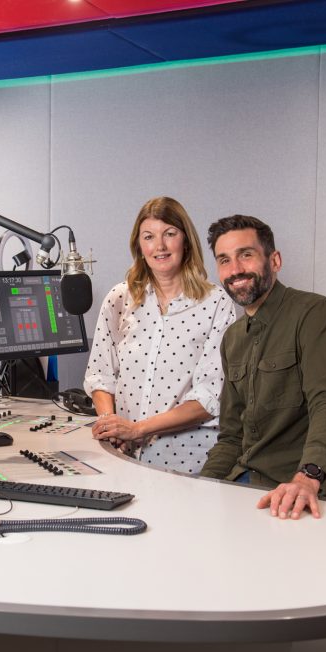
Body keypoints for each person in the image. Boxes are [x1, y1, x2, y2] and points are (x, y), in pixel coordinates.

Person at [200, 215, 326, 519]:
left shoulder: (311, 312)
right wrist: (201, 486)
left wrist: (309, 476)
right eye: (224, 260)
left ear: (275, 260)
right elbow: (231, 435)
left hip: (294, 484)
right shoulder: (232, 338)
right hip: (243, 482)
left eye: (246, 255)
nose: (235, 270)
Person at [84, 197, 236, 474]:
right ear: (139, 247)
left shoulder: (216, 302)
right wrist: (111, 424)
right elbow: (101, 375)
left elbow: (209, 397)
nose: (160, 246)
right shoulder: (120, 298)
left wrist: (137, 429)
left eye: (170, 234)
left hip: (188, 459)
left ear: (186, 241)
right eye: (149, 237)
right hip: (121, 453)